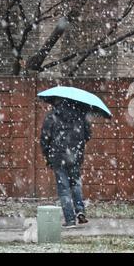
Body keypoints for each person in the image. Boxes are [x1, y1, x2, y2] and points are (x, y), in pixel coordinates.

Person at [40, 98, 92, 228]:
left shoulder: (52, 116)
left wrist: (47, 154)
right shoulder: (81, 115)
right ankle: (80, 210)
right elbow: (88, 135)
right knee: (75, 184)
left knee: (64, 190)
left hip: (58, 157)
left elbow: (45, 138)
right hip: (75, 156)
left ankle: (70, 220)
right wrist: (77, 145)